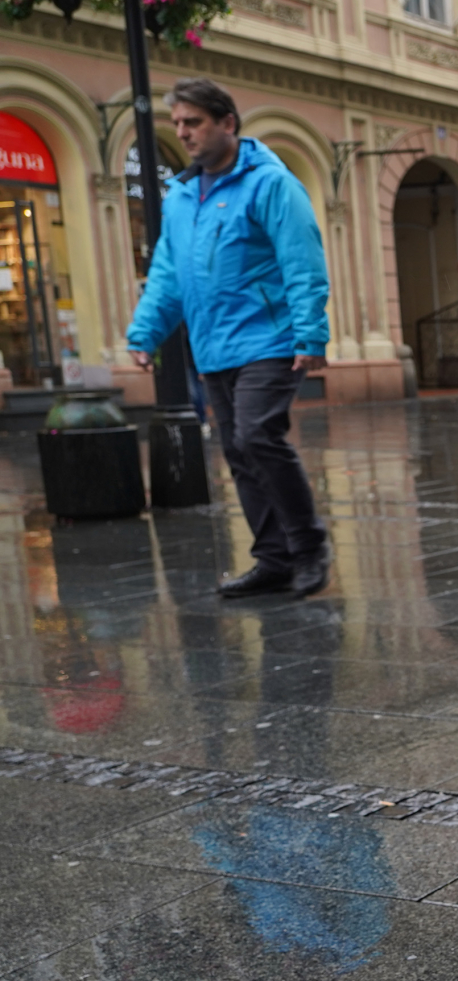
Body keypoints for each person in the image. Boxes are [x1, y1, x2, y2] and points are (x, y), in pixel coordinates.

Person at [127, 78, 331, 599]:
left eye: (193, 122)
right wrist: (146, 332)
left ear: (227, 123)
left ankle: (309, 548)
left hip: (271, 338)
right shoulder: (180, 198)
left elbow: (301, 261)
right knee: (237, 452)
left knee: (257, 436)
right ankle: (274, 559)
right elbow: (168, 273)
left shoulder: (270, 183)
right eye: (177, 124)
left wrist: (310, 334)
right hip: (214, 345)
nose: (184, 133)